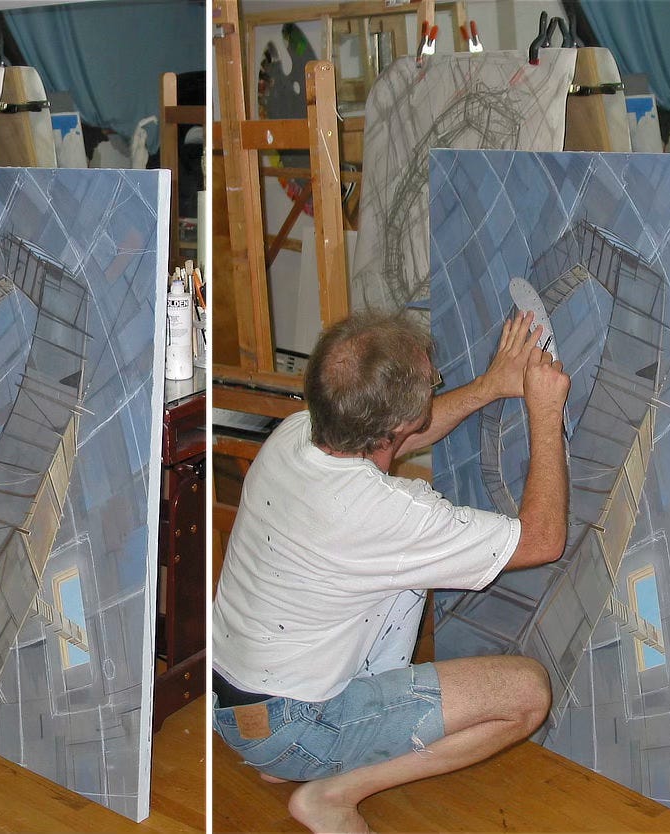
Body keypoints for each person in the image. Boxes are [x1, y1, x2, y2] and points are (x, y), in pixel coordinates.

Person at [211, 310, 570, 834]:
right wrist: (544, 411)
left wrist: (491, 386)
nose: (434, 383)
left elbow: (393, 441)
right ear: (400, 422)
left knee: (401, 573)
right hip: (291, 722)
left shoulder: (296, 434)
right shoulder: (391, 514)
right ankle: (332, 795)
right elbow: (543, 540)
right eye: (433, 382)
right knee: (527, 694)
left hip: (234, 702)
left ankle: (284, 758)